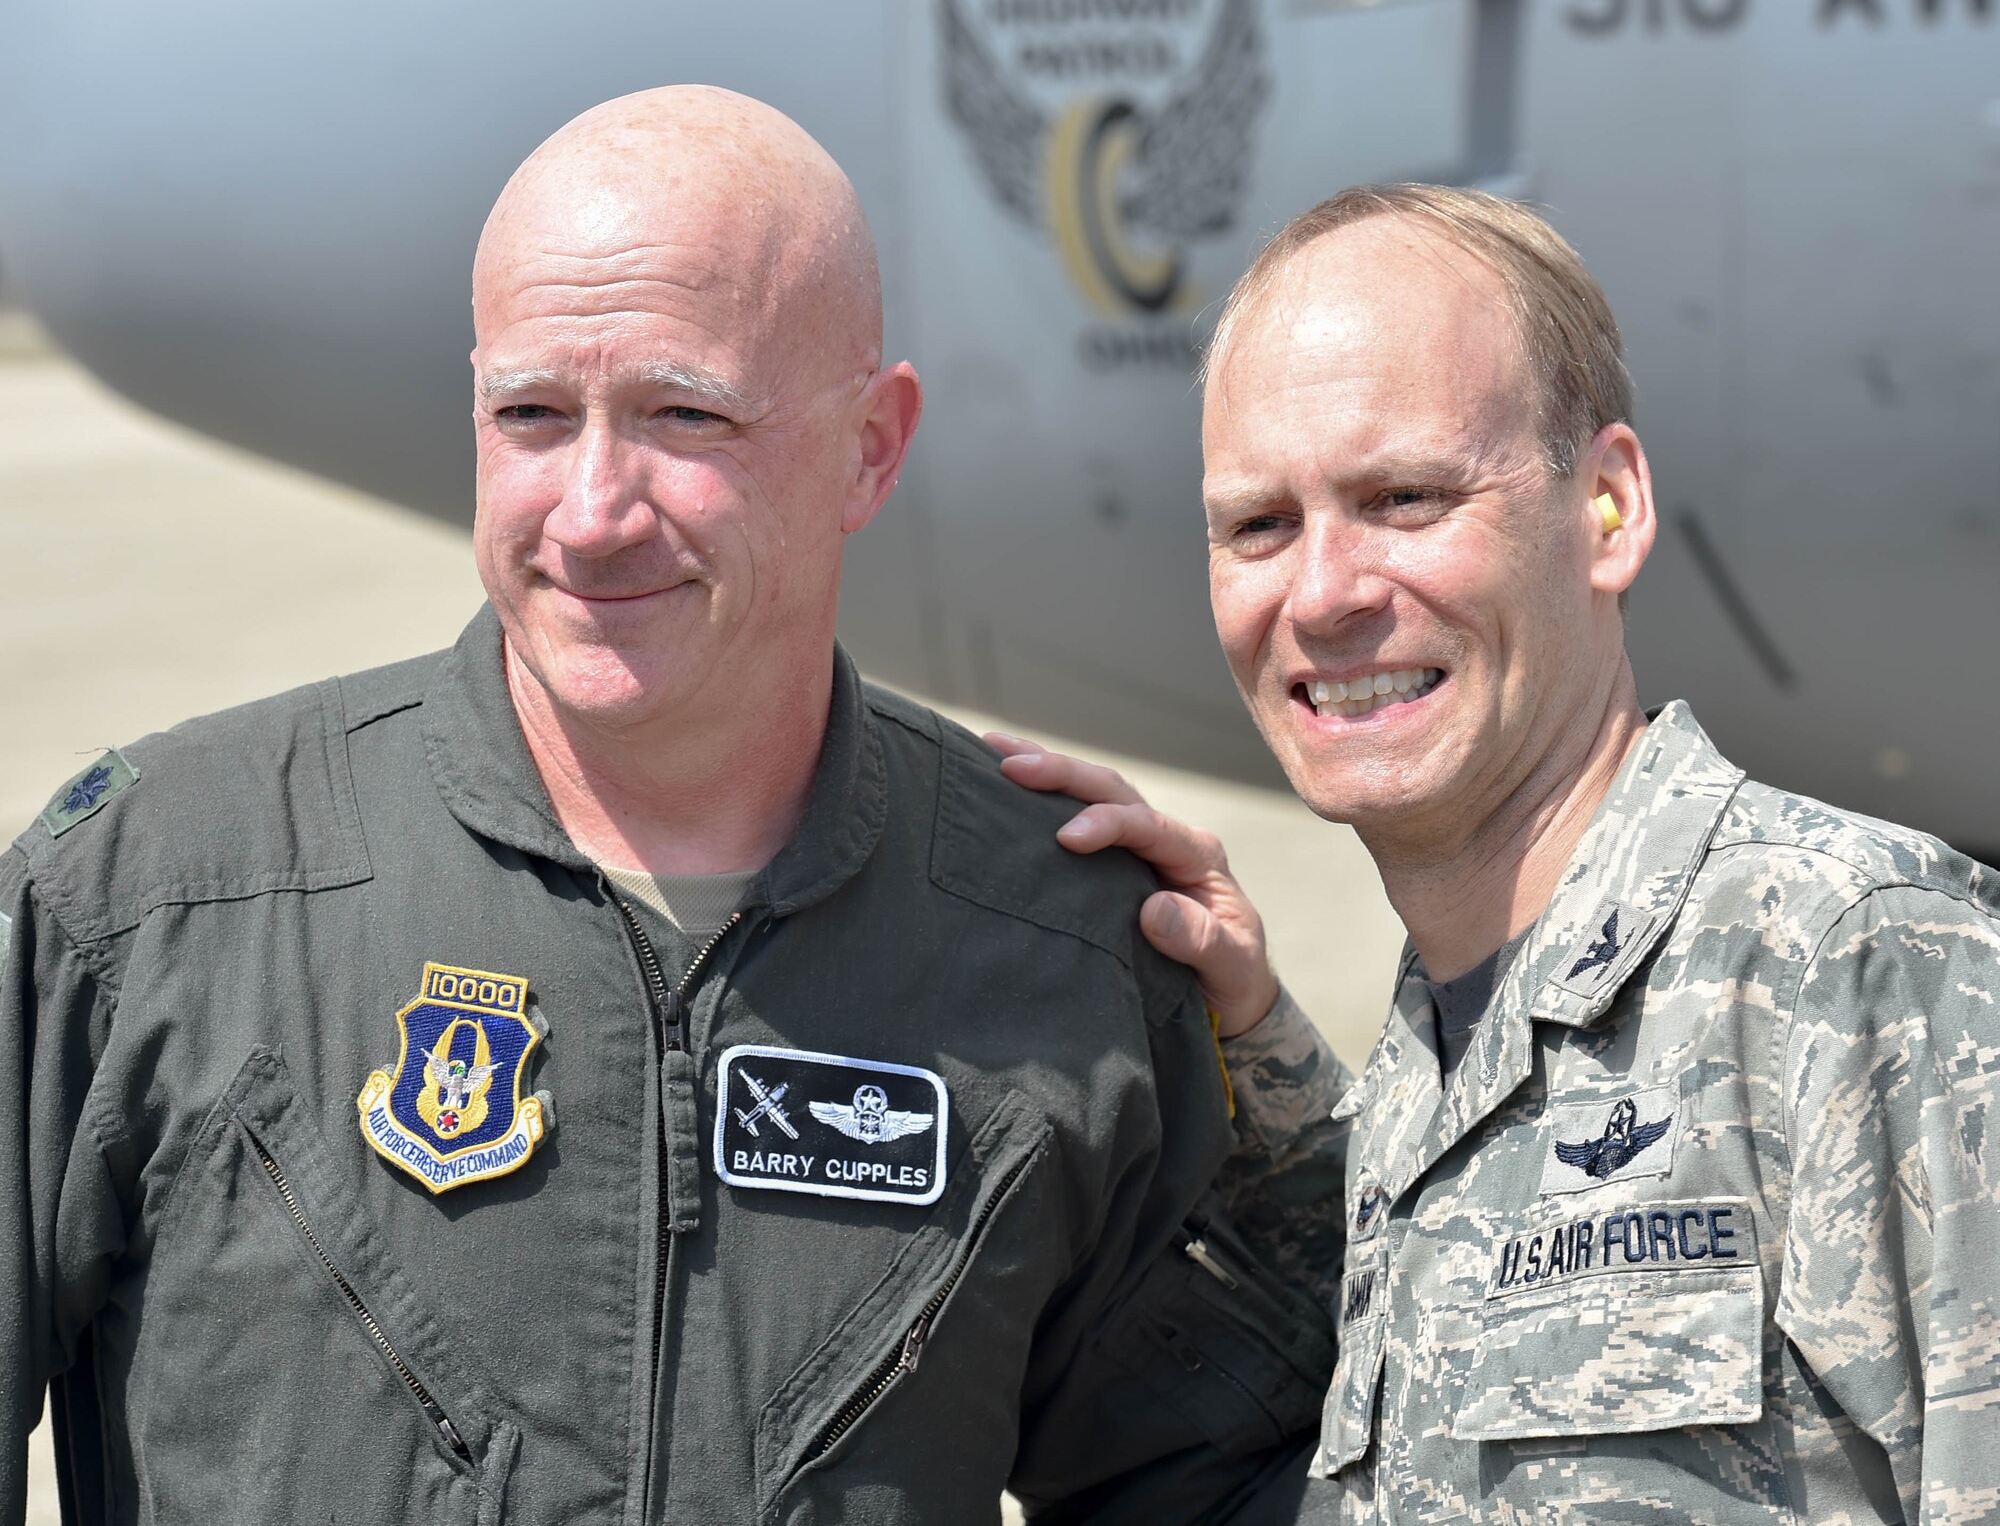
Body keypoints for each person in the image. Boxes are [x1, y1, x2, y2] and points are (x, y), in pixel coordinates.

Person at [0, 87, 1339, 1525]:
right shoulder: (153, 904)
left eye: (682, 414)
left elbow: (1229, 1486)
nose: (590, 511)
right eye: (530, 415)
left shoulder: (1052, 955)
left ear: (872, 447)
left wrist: (1272, 1067)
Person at [997, 184, 2000, 1522]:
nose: (1327, 591)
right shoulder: (1431, 1071)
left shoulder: (1865, 965)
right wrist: (1253, 1043)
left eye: (1405, 497)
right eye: (1259, 525)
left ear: (1609, 507)